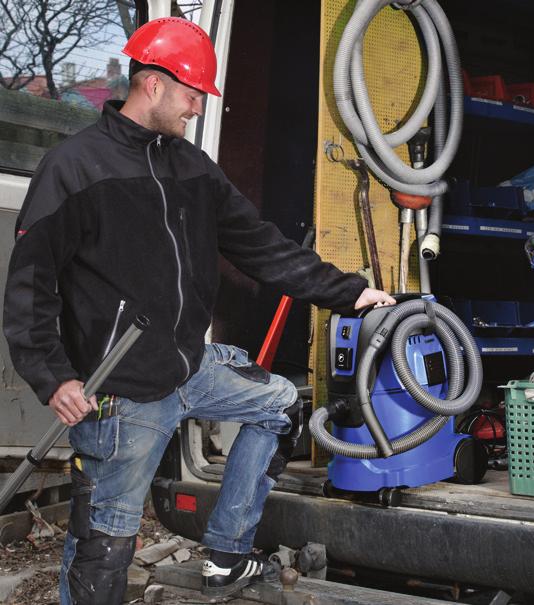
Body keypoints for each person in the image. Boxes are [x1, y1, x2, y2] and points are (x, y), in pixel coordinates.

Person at [3, 17, 395, 604]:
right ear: (153, 84)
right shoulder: (76, 169)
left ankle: (227, 553)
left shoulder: (191, 169)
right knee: (106, 547)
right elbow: (30, 284)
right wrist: (54, 376)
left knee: (279, 405)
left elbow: (259, 244)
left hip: (189, 366)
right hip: (122, 391)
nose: (196, 108)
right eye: (192, 95)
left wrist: (347, 291)